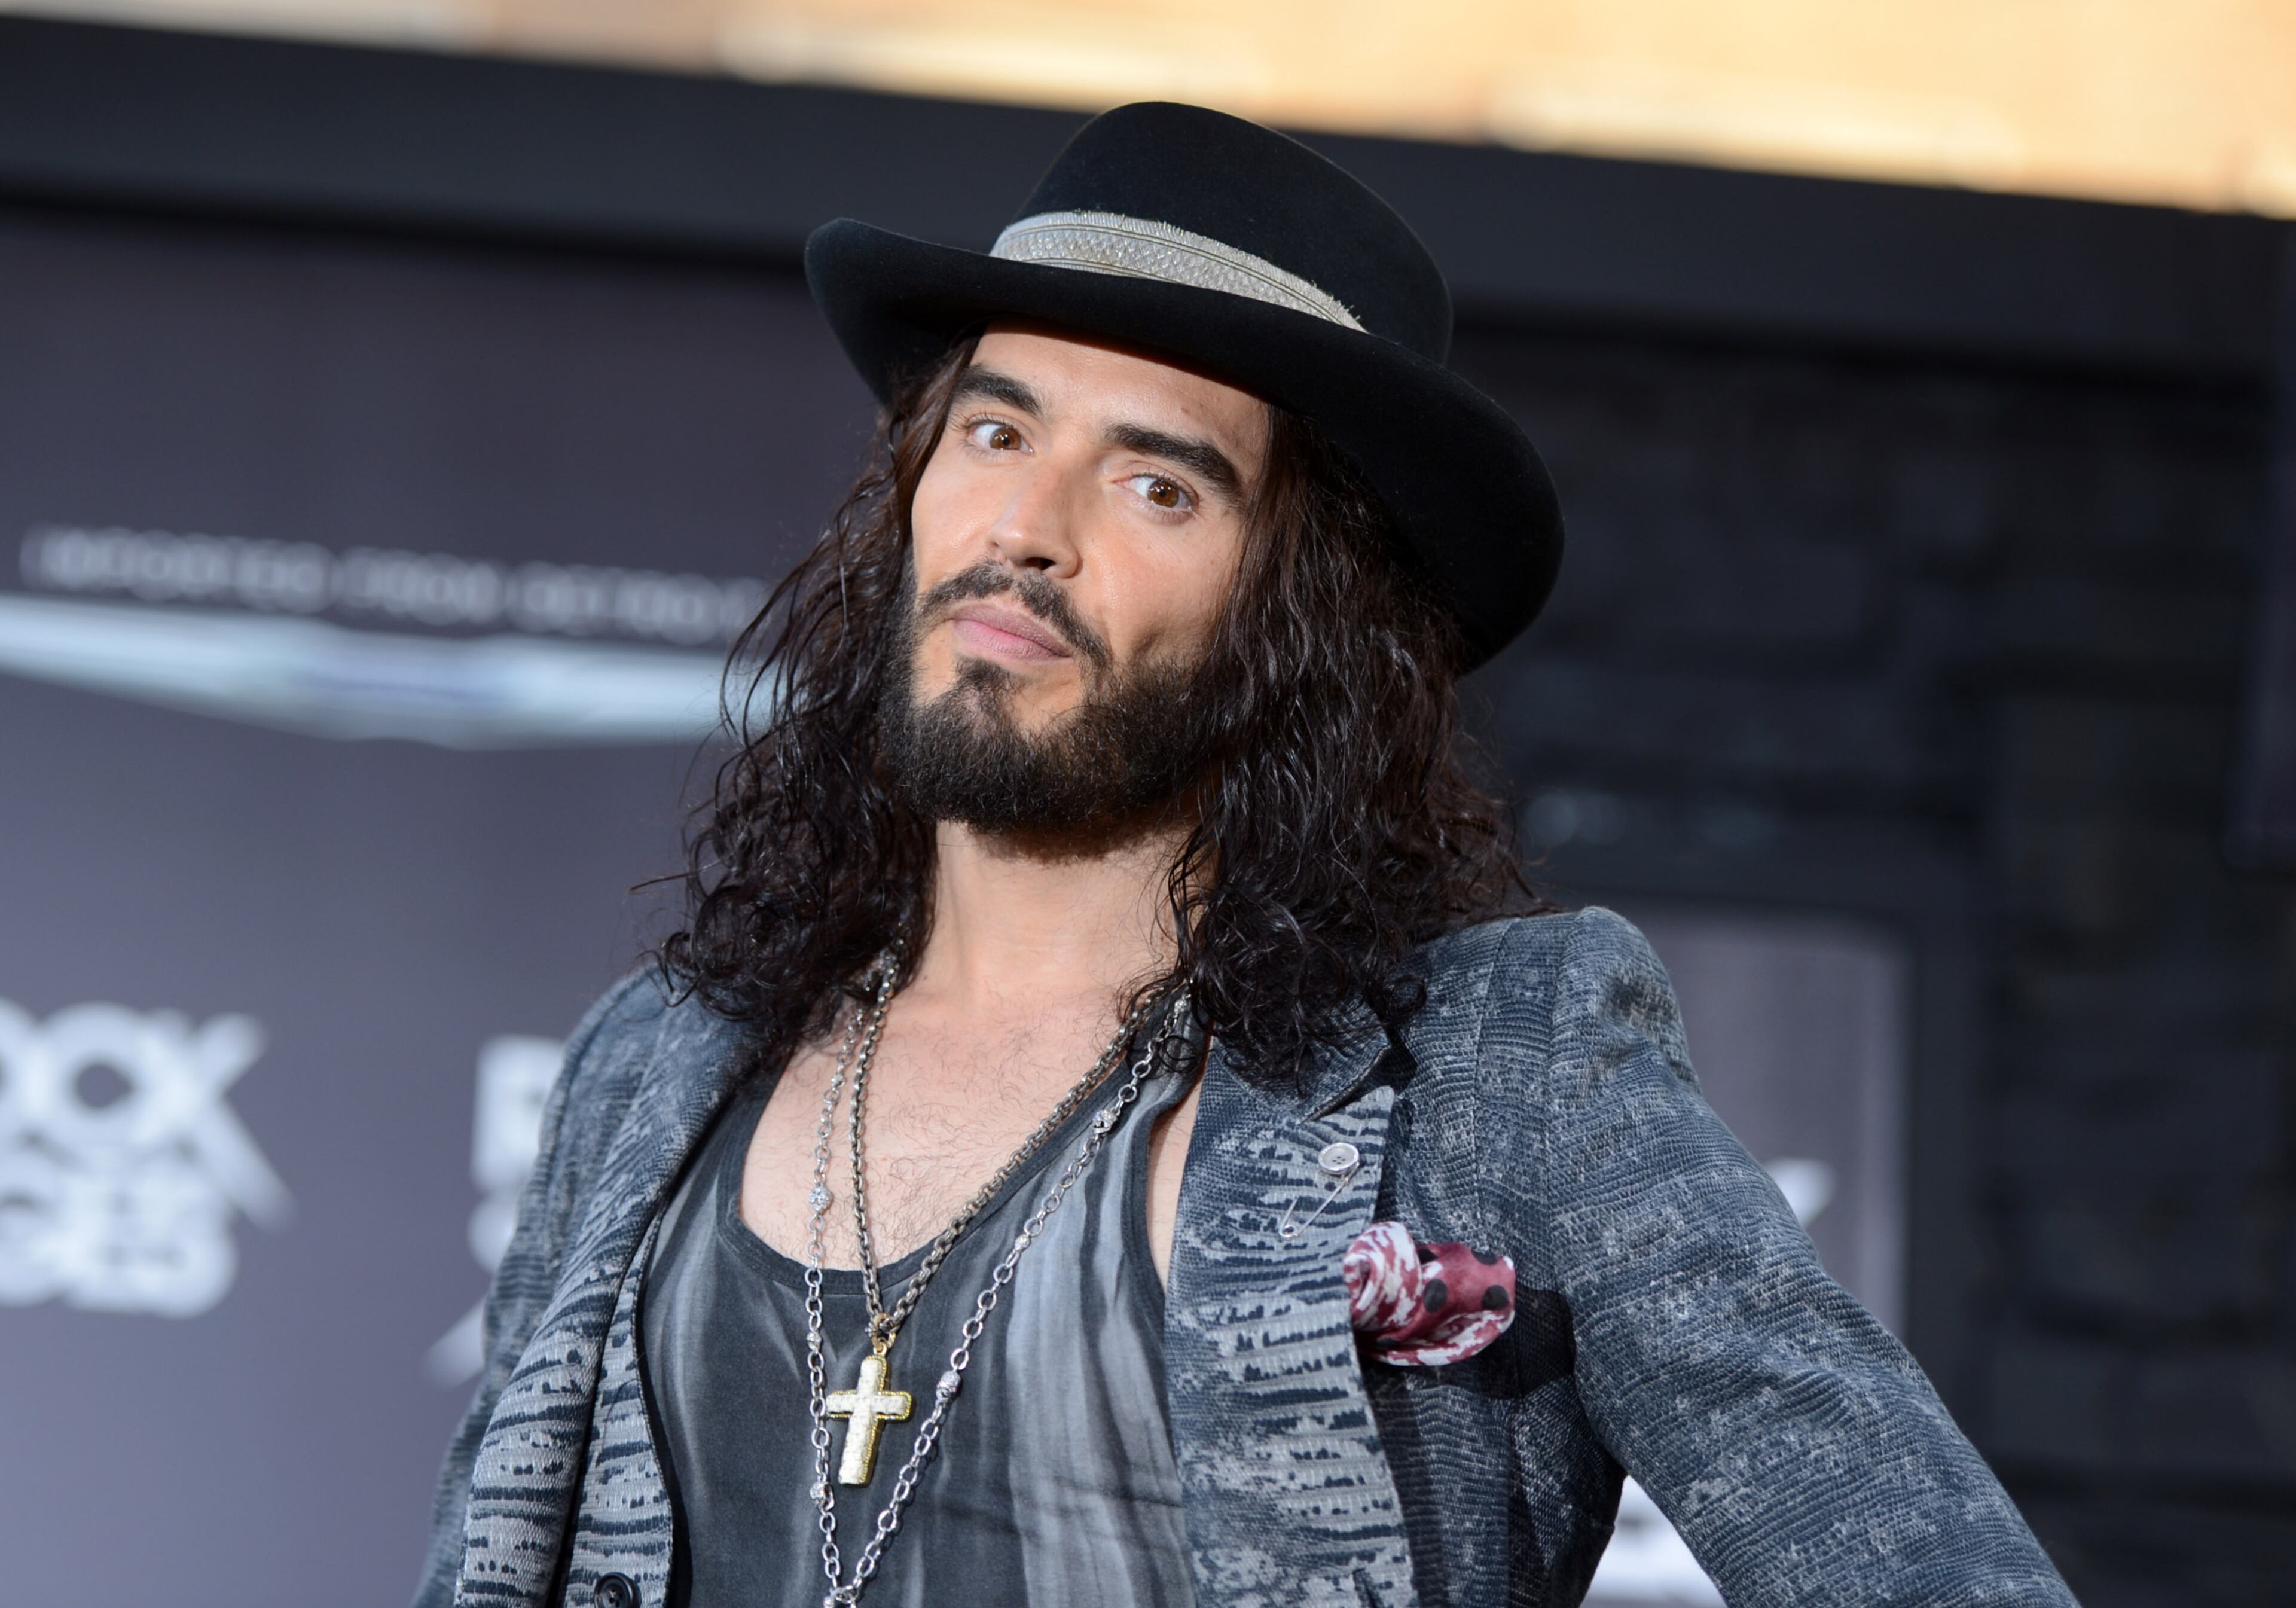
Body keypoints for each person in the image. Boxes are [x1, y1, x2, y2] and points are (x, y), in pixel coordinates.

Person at [416, 102, 2075, 1608]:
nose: (1029, 527)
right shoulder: (658, 1062)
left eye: (1156, 482)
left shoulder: (1500, 1072)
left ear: (1301, 616)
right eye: (996, 433)